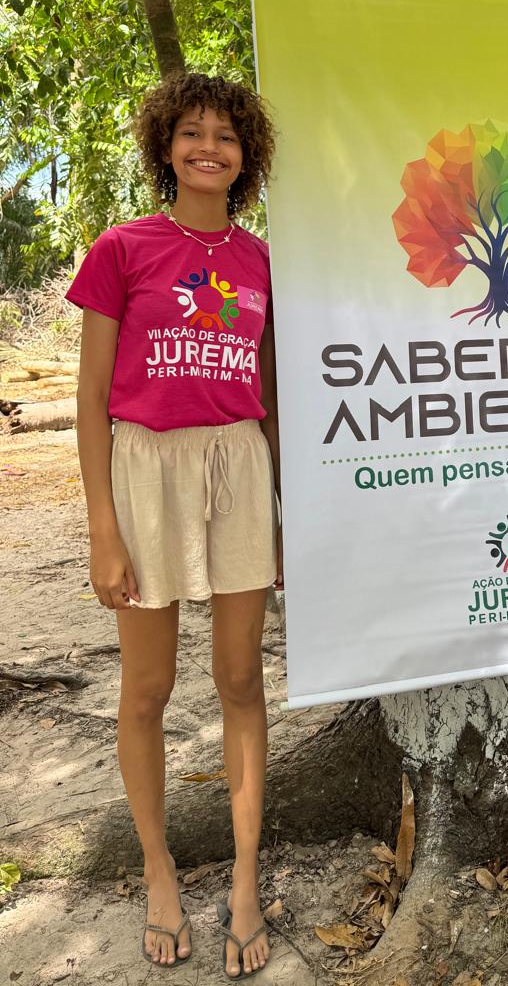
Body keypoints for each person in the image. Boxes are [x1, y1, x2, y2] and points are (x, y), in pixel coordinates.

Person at [69, 73, 281, 977]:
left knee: (240, 678)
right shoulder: (122, 248)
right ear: (166, 147)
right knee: (148, 688)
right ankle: (158, 870)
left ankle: (244, 879)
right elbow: (90, 399)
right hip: (144, 471)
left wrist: (284, 512)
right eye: (191, 132)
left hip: (239, 467)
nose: (208, 147)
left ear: (245, 156)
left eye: (226, 136)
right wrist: (102, 529)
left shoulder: (261, 260)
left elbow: (269, 393)